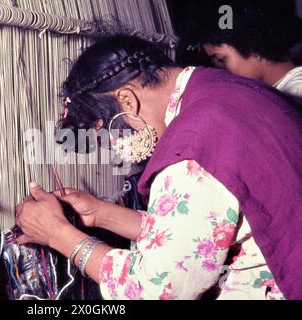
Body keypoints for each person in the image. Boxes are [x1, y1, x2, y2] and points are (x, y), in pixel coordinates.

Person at [15, 35, 302, 300]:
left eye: (109, 130)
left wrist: (58, 234)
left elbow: (154, 289)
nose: (116, 145)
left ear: (127, 99)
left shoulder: (192, 146)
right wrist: (101, 214)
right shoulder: (218, 87)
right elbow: (197, 232)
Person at [188, 0, 302, 105]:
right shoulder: (274, 92)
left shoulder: (294, 96)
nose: (219, 70)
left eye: (221, 60)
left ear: (254, 47)